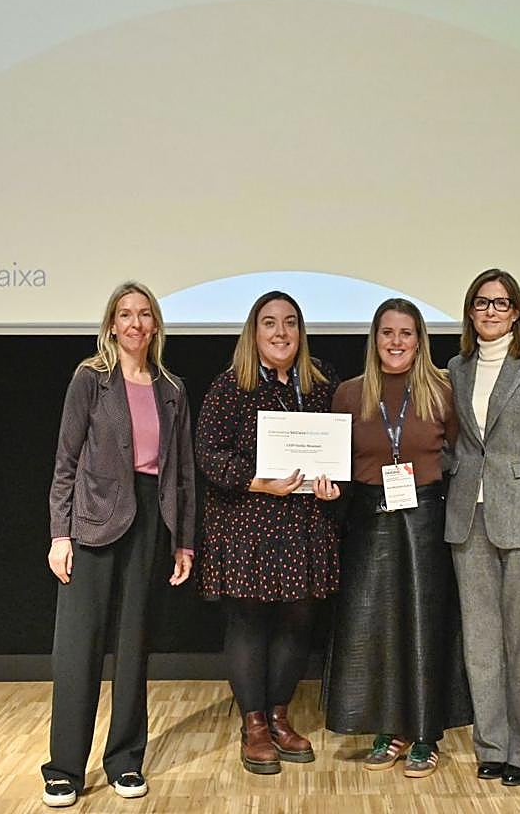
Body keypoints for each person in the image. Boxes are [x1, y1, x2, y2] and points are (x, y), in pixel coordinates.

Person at [40, 282, 196, 808]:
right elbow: (65, 462)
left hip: (152, 519)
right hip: (94, 521)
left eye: (144, 314)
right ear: (111, 325)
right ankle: (65, 768)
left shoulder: (172, 388)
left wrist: (184, 542)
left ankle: (126, 761)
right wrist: (60, 534)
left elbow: (184, 475)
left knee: (134, 647)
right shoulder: (90, 380)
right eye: (125, 314)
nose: (134, 323)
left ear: (155, 326)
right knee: (79, 647)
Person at [323, 298, 473, 778]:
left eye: (405, 333)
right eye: (387, 332)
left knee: (424, 625)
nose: (395, 342)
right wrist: (327, 486)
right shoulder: (349, 393)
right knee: (377, 628)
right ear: (374, 338)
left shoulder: (442, 391)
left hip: (425, 518)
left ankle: (425, 734)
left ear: (419, 339)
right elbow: (339, 462)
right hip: (368, 520)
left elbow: (456, 452)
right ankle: (387, 729)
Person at [195, 290, 341, 775]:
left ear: (301, 331)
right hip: (248, 523)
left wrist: (330, 487)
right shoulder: (230, 386)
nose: (281, 333)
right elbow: (209, 454)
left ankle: (280, 716)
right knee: (251, 623)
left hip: (304, 525)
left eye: (290, 323)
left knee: (298, 621)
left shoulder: (320, 385)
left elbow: (337, 453)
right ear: (252, 333)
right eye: (270, 323)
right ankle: (253, 724)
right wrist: (259, 482)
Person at [445, 268, 520, 788]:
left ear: (516, 312)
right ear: (470, 312)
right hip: (467, 518)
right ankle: (492, 746)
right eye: (481, 303)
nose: (491, 312)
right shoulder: (456, 368)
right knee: (480, 643)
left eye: (501, 303)